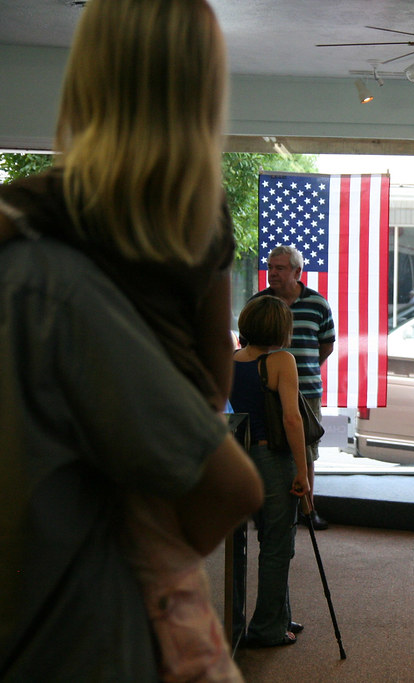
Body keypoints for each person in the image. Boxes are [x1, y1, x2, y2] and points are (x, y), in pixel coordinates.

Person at [0, 1, 262, 679]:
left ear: (88, 78)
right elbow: (216, 376)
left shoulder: (38, 218)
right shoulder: (200, 219)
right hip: (163, 479)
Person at [229, 296, 311, 648]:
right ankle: (267, 628)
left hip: (235, 458)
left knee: (236, 547)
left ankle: (243, 621)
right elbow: (292, 419)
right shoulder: (281, 361)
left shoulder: (230, 361)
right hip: (270, 459)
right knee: (277, 544)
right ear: (281, 329)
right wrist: (303, 471)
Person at [251, 245, 336, 529]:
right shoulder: (258, 304)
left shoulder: (318, 304)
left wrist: (301, 372)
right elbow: (248, 347)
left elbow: (326, 345)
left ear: (297, 272)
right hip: (265, 392)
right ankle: (264, 510)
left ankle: (308, 510)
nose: (272, 273)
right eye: (270, 267)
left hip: (306, 392)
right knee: (265, 450)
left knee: (306, 451)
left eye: (280, 268)